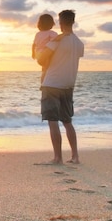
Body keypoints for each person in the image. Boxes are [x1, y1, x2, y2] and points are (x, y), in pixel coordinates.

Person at [36, 10, 84, 165]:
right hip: (68, 84)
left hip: (51, 84)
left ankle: (57, 158)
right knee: (67, 121)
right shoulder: (79, 43)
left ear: (61, 22)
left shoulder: (56, 40)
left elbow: (41, 59)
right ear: (73, 22)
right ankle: (75, 156)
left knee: (52, 120)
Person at [32, 14, 58, 82]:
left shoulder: (38, 34)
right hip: (44, 54)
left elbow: (34, 44)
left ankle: (43, 83)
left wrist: (33, 54)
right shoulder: (51, 33)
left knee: (44, 69)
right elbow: (56, 40)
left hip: (38, 54)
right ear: (51, 24)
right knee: (46, 70)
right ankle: (43, 83)